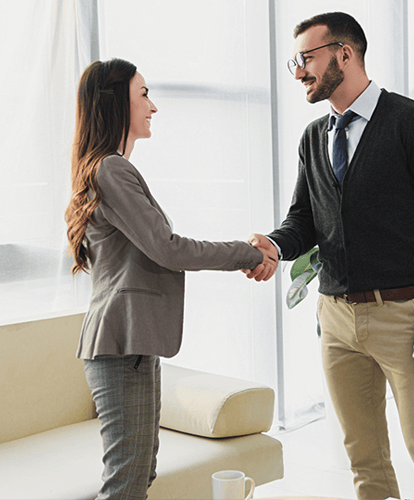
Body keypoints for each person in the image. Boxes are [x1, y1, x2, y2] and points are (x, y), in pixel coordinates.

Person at [246, 12, 414, 500]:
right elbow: (304, 220)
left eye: (307, 59)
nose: (298, 72)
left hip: (406, 322)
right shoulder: (314, 137)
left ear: (344, 54)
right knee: (365, 462)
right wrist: (273, 244)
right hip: (336, 321)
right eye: (295, 61)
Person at [65, 58, 276, 500]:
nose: (153, 106)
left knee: (139, 473)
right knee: (127, 480)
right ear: (116, 103)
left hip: (129, 344)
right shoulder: (111, 169)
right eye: (143, 94)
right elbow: (168, 248)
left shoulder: (106, 168)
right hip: (122, 346)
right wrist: (247, 252)